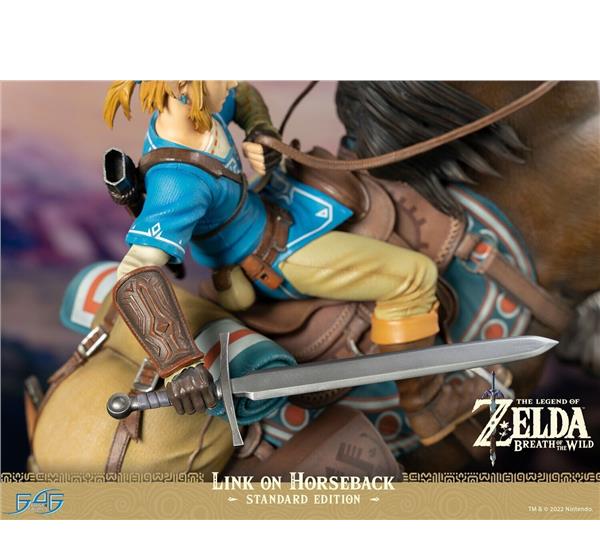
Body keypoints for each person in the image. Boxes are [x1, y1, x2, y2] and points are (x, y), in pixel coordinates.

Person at [103, 80, 439, 413]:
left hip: (272, 206)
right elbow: (134, 269)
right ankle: (423, 406)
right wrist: (180, 366)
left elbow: (243, 95)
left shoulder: (198, 111)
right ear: (183, 84)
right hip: (273, 255)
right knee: (415, 275)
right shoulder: (178, 182)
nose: (231, 79)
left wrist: (260, 132)